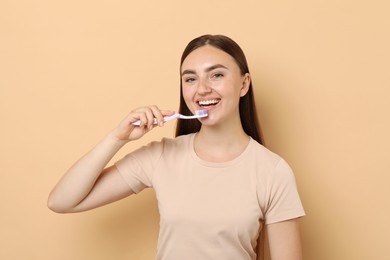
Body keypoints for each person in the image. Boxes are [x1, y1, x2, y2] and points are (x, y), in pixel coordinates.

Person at [48, 34, 305, 260]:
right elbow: (62, 201)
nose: (202, 89)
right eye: (190, 79)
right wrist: (118, 138)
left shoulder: (272, 171)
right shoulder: (161, 155)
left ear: (244, 84)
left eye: (216, 75)